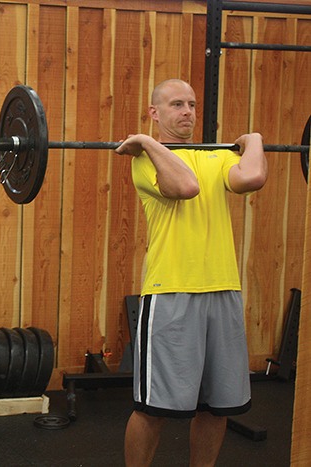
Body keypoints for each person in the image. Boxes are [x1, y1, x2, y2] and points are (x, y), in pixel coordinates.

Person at [115, 78, 268, 467]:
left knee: (217, 407)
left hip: (223, 290)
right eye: (177, 105)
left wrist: (254, 138)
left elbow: (251, 178)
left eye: (192, 105)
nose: (188, 112)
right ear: (155, 113)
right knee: (153, 408)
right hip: (172, 293)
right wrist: (148, 143)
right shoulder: (144, 160)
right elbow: (184, 186)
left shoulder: (216, 156)